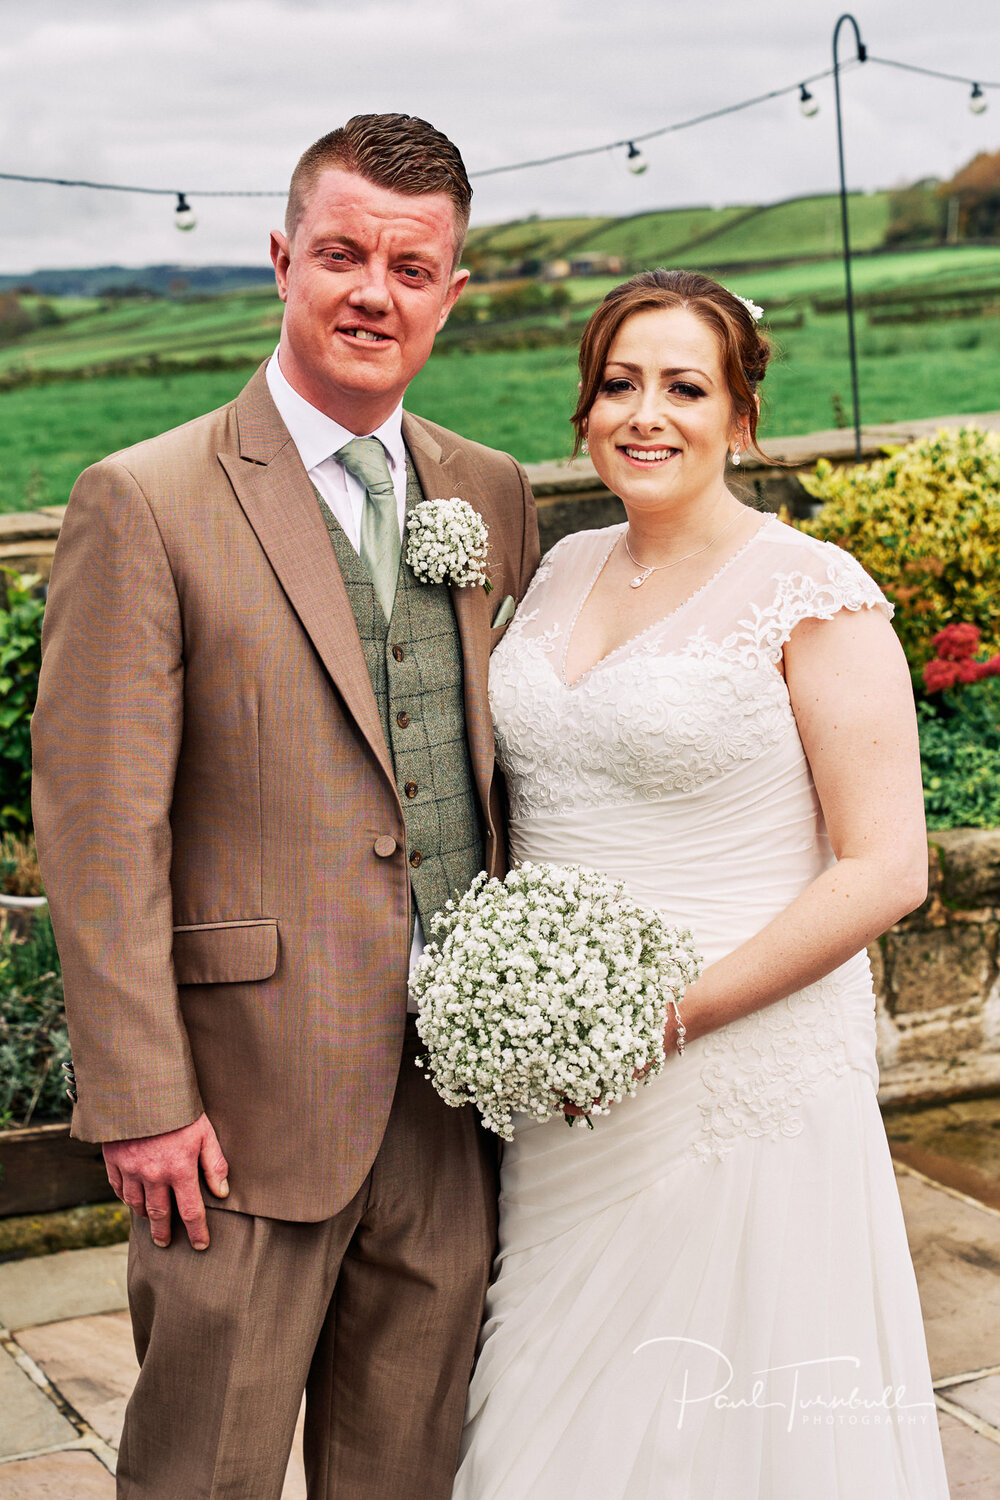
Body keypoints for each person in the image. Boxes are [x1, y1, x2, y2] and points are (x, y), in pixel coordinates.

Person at [31, 113, 538, 1500]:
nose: (374, 290)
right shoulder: (142, 500)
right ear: (280, 260)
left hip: (451, 1108)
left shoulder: (489, 494)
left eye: (411, 264)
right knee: (206, 1475)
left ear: (451, 290)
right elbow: (96, 822)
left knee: (405, 1474)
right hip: (238, 1114)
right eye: (342, 254)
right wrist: (140, 1100)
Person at [452, 269, 950, 1498]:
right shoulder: (559, 569)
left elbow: (885, 869)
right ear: (584, 409)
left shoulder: (811, 592)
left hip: (735, 1067)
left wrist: (664, 1020)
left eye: (685, 386)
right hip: (560, 1089)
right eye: (617, 384)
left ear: (740, 418)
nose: (644, 413)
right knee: (551, 1401)